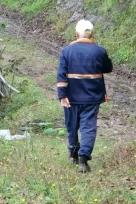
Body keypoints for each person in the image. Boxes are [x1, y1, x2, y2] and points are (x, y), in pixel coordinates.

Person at [56, 19, 113, 173]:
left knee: (71, 126)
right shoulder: (99, 51)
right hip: (92, 98)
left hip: (71, 98)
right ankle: (83, 160)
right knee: (88, 127)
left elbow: (61, 74)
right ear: (92, 34)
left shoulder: (66, 51)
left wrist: (62, 95)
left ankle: (74, 153)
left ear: (76, 34)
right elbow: (108, 68)